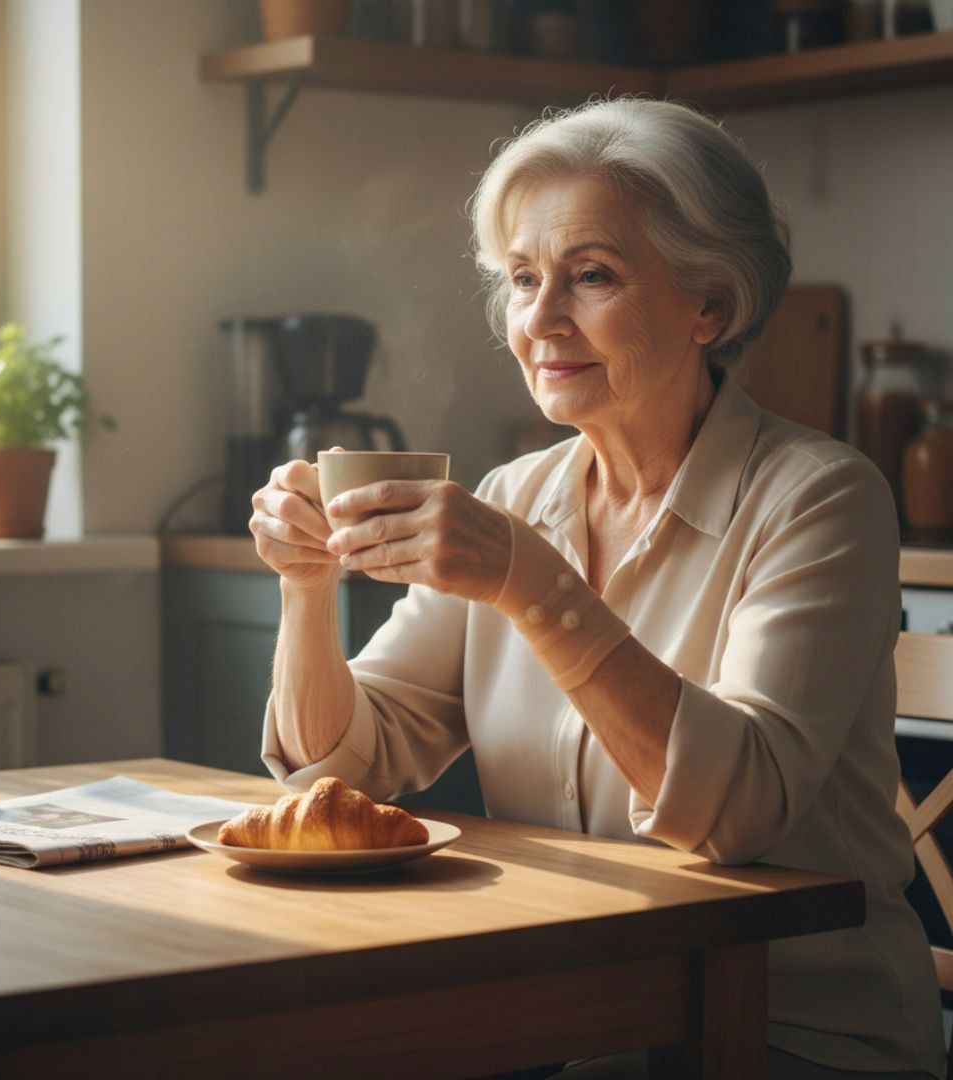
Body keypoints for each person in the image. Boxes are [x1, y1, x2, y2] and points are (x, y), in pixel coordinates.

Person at [248, 97, 945, 1079]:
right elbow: (343, 773)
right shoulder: (511, 499)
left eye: (592, 276)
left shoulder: (821, 500)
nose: (538, 320)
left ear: (711, 305)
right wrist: (306, 584)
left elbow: (735, 812)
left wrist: (533, 584)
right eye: (524, 279)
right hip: (570, 1017)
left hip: (791, 1032)